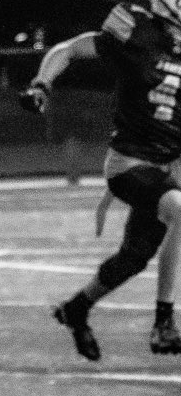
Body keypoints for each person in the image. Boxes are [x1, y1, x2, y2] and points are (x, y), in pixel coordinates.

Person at [19, 0, 181, 361]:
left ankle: (76, 308)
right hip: (130, 164)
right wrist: (41, 85)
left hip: (164, 172)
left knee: (134, 258)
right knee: (180, 212)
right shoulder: (136, 32)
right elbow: (69, 49)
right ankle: (164, 322)